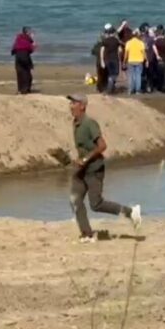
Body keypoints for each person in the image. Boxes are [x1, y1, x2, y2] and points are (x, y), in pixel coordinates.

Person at [67, 94, 142, 243]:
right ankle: (87, 234)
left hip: (95, 169)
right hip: (82, 170)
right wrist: (79, 160)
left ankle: (131, 213)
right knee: (75, 199)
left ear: (82, 106)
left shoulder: (90, 124)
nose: (71, 106)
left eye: (74, 103)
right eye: (70, 102)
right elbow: (83, 148)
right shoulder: (75, 123)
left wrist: (86, 159)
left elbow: (102, 146)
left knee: (96, 204)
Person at [11, 26, 36, 95]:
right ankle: (26, 90)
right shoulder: (28, 38)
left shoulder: (19, 37)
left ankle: (20, 89)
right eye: (30, 32)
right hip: (24, 55)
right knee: (27, 73)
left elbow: (14, 48)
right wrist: (33, 40)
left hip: (17, 56)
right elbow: (31, 49)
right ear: (27, 32)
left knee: (19, 73)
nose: (31, 33)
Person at [99, 25, 122, 95]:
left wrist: (102, 61)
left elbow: (102, 50)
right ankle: (109, 89)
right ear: (113, 33)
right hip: (115, 59)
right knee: (115, 74)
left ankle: (111, 88)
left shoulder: (105, 41)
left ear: (108, 33)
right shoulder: (116, 40)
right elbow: (120, 50)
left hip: (107, 60)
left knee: (110, 74)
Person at [124, 29, 147, 95]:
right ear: (137, 35)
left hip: (130, 60)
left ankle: (130, 90)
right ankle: (137, 90)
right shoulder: (141, 43)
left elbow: (126, 53)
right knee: (138, 76)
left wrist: (124, 61)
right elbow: (143, 53)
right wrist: (146, 60)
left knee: (131, 76)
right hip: (139, 61)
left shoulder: (128, 42)